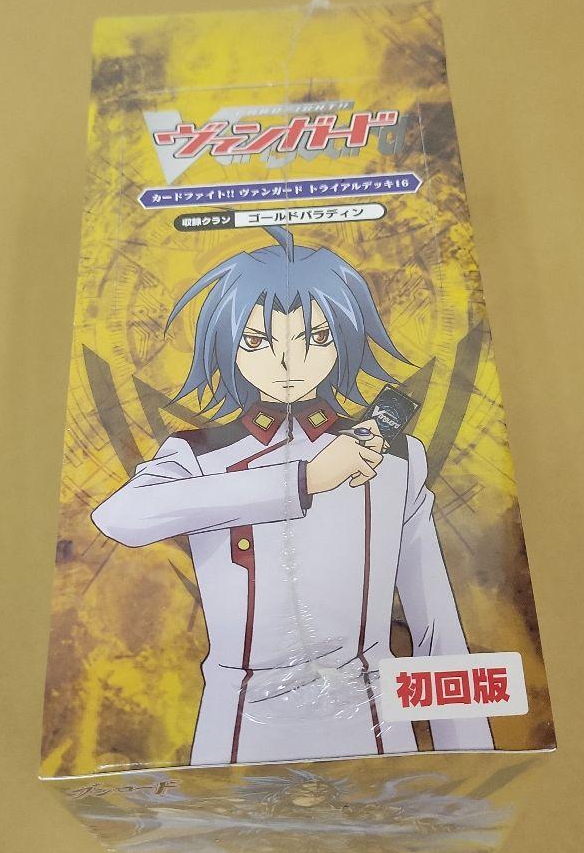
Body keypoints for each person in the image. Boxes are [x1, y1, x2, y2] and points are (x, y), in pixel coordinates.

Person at [91, 226, 493, 765]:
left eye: (315, 338)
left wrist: (469, 760)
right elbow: (119, 516)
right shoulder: (198, 456)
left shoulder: (397, 459)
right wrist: (301, 480)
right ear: (226, 347)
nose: (287, 363)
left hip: (371, 720)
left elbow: (436, 625)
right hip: (238, 724)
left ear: (345, 340)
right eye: (258, 342)